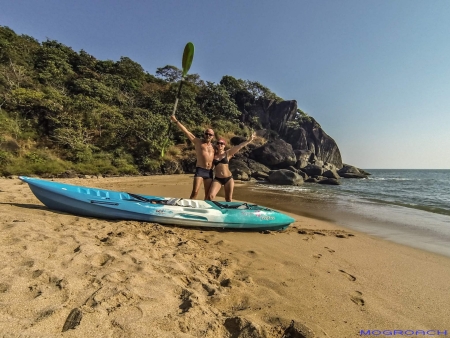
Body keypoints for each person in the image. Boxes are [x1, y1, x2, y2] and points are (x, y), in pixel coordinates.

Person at [170, 115, 215, 199]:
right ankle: (189, 206)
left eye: (210, 134)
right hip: (200, 170)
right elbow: (186, 132)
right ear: (204, 134)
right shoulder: (198, 142)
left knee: (208, 196)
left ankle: (206, 210)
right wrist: (176, 121)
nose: (208, 135)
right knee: (195, 192)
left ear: (213, 136)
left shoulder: (214, 147)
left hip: (209, 172)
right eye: (206, 133)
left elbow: (224, 155)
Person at [207, 133, 255, 202]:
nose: (220, 145)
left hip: (228, 179)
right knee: (210, 196)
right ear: (216, 145)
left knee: (228, 199)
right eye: (218, 143)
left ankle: (228, 211)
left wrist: (249, 140)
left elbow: (239, 146)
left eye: (222, 143)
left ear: (224, 145)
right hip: (218, 179)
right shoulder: (213, 155)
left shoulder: (228, 153)